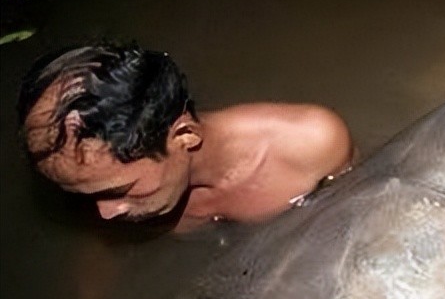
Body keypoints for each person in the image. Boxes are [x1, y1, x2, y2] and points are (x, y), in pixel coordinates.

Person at [17, 42, 357, 232]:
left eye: (117, 192)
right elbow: (97, 257)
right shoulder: (113, 183)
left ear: (183, 135)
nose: (105, 214)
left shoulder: (312, 144)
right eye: (83, 195)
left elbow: (361, 218)